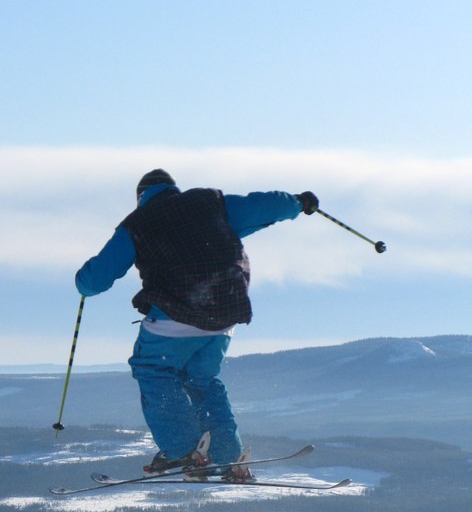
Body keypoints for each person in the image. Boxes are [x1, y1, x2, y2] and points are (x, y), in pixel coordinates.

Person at [75, 168, 319, 481]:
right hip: (225, 314)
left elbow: (96, 279)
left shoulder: (138, 224)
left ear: (141, 198)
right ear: (173, 189)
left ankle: (185, 451)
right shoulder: (209, 204)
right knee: (203, 379)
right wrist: (298, 203)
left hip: (176, 314)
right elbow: (262, 207)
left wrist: (82, 283)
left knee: (155, 371)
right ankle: (227, 456)